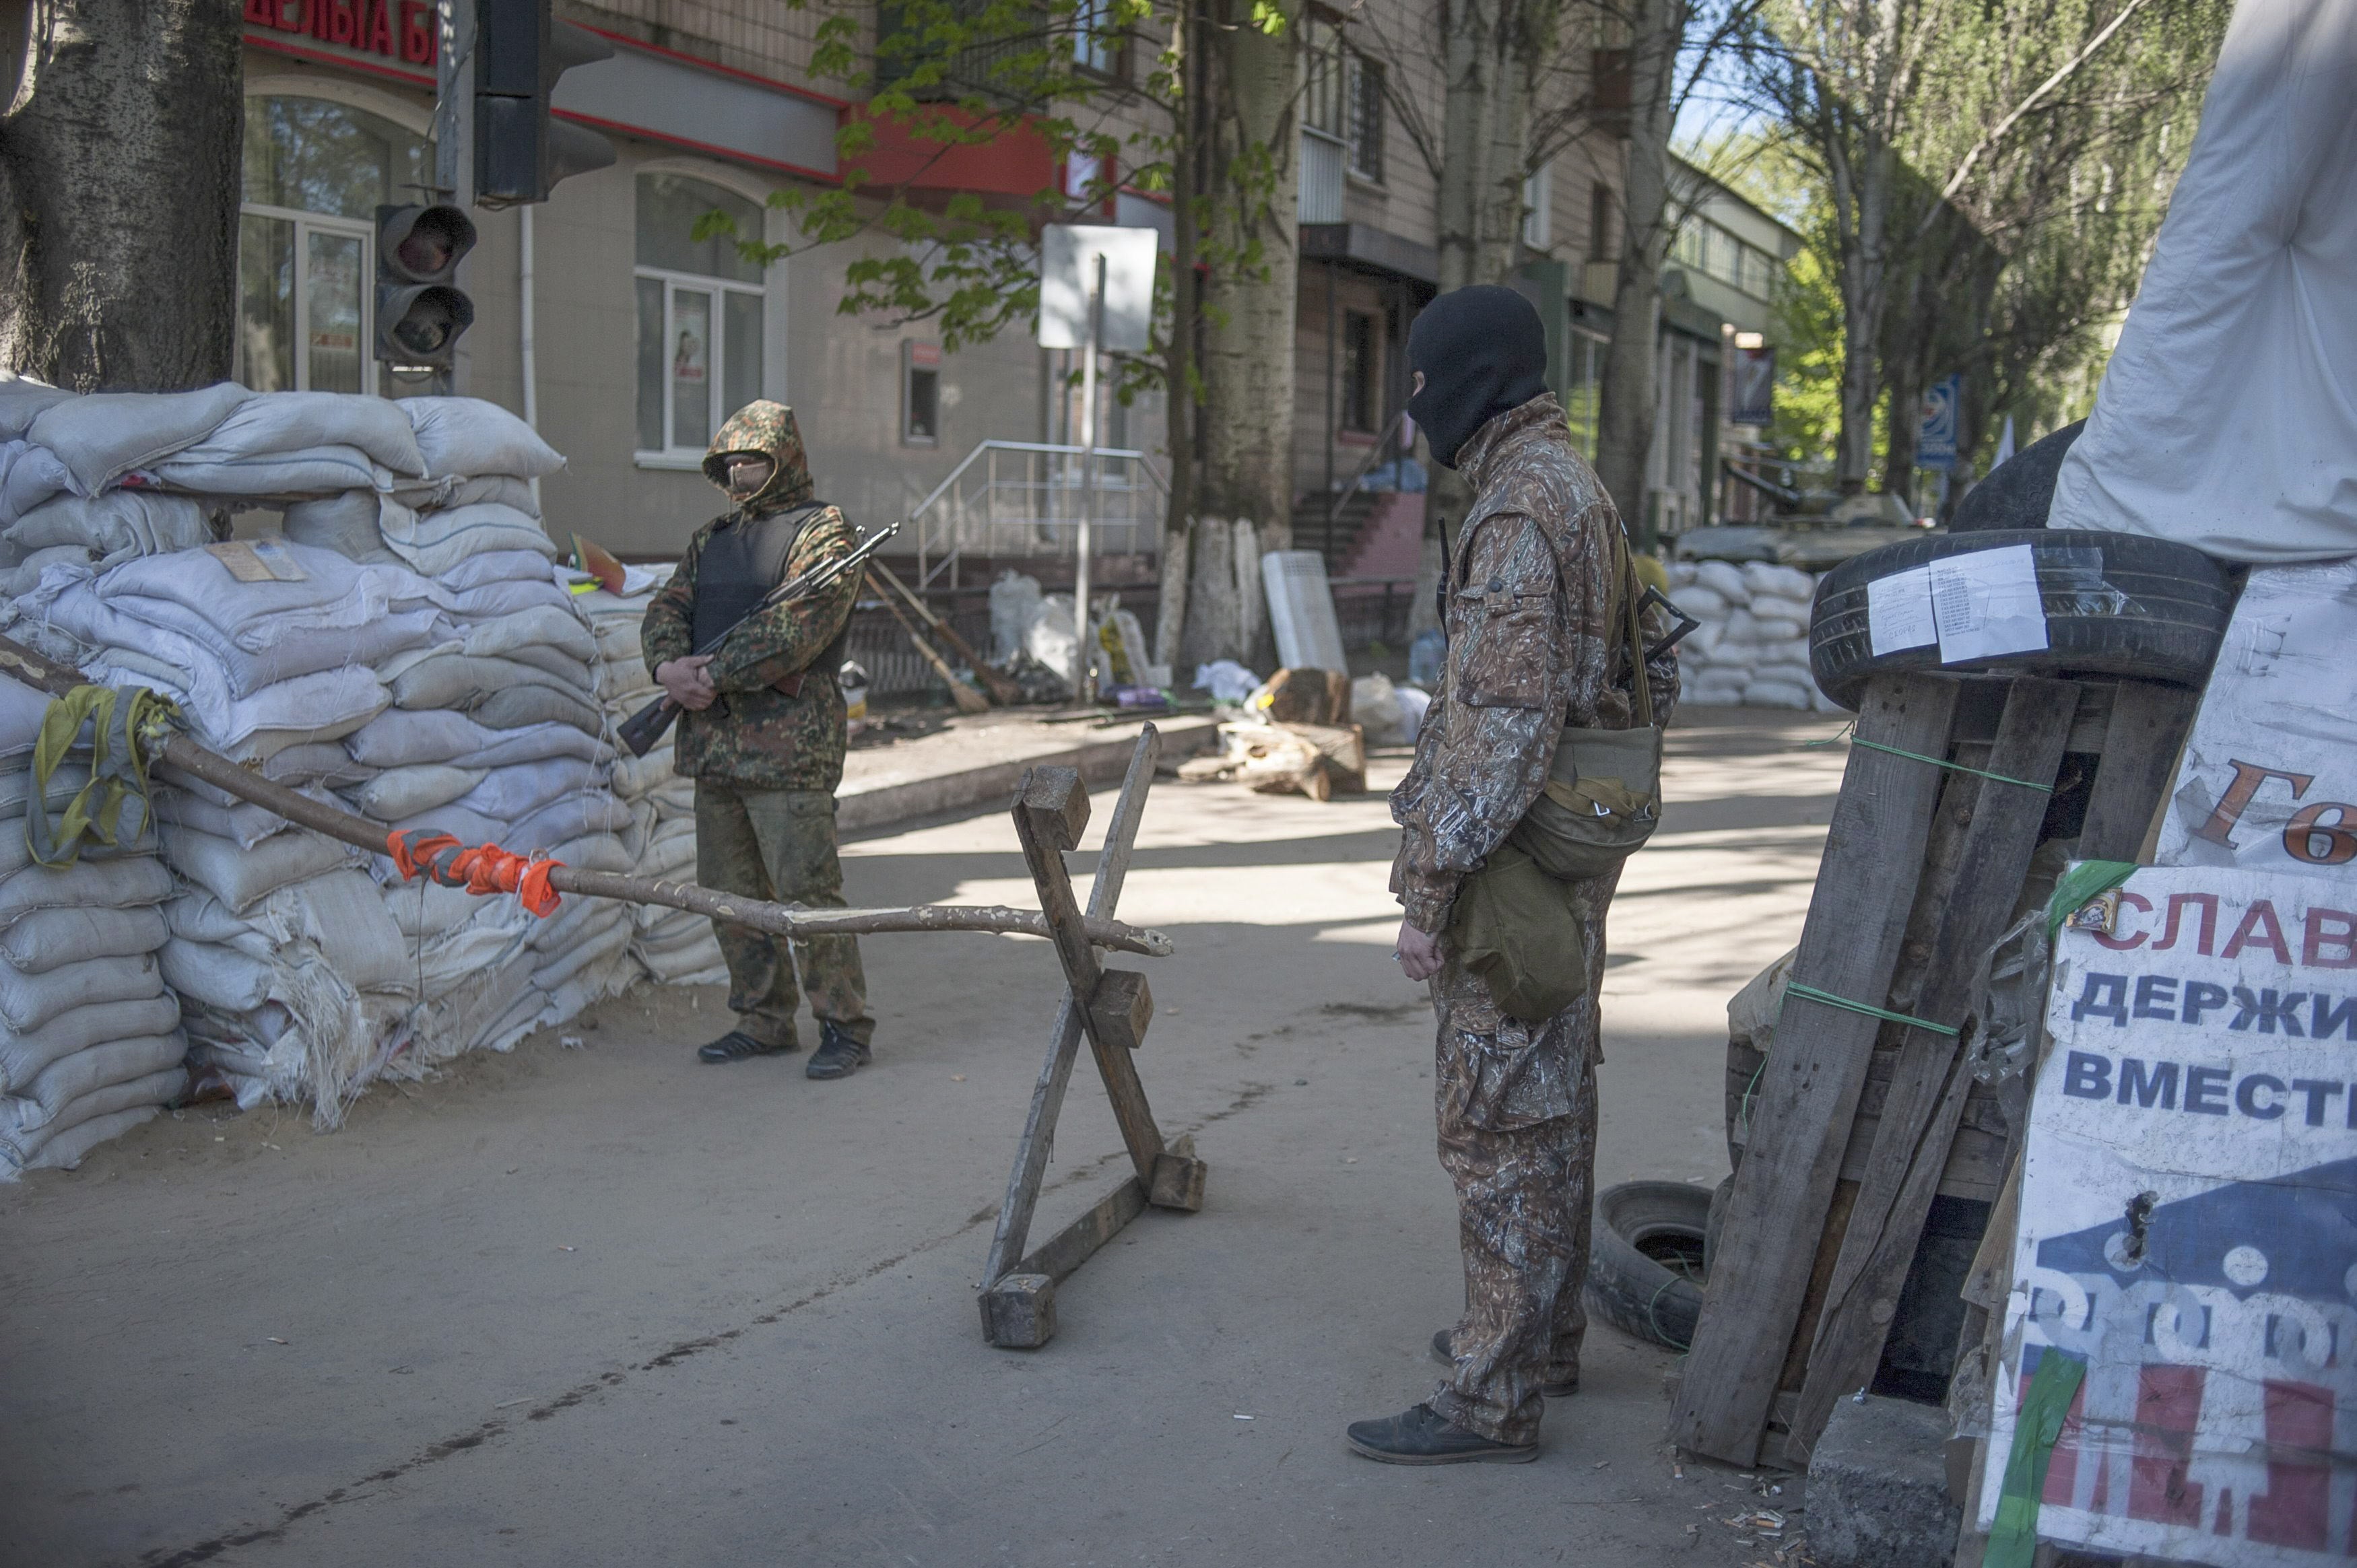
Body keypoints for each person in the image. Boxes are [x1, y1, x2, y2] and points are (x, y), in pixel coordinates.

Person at [1346, 286, 1679, 1464]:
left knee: (1495, 1127)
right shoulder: (1571, 491)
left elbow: (1496, 729)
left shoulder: (1520, 513)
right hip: (1561, 855)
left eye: (1424, 382)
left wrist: (1428, 889)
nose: (1413, 405)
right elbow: (1649, 668)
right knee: (1553, 1103)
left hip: (1513, 863)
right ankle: (1542, 1343)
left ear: (1472, 380)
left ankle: (1491, 1396)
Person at [641, 401, 879, 1080]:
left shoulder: (824, 532)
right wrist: (666, 668)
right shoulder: (712, 538)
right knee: (727, 891)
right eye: (731, 461)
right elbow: (668, 608)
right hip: (714, 744)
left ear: (785, 460)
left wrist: (711, 672)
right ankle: (762, 1018)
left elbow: (801, 625)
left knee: (806, 893)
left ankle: (843, 1023)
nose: (742, 471)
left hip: (788, 749)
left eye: (755, 459)